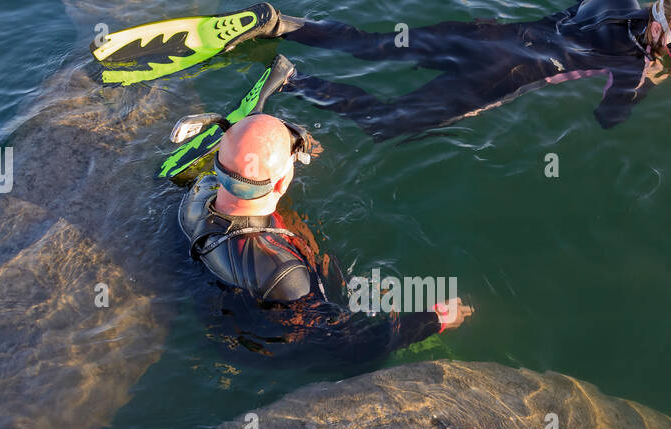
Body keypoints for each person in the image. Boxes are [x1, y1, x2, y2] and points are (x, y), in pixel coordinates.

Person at [94, 0, 671, 141]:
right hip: (505, 75)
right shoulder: (632, 70)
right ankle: (294, 82)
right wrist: (657, 76)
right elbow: (607, 119)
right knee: (389, 122)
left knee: (376, 46)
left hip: (485, 33)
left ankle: (283, 24)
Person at [177, 109, 472, 362]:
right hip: (269, 343)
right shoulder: (286, 273)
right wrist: (432, 320)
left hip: (221, 299)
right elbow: (349, 347)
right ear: (281, 183)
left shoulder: (196, 198)